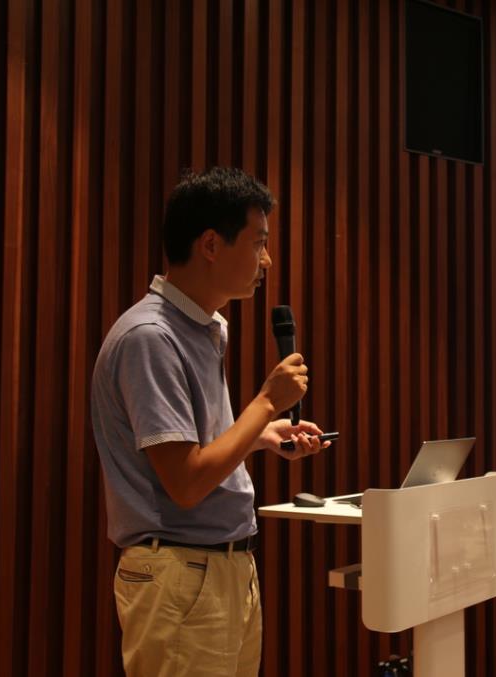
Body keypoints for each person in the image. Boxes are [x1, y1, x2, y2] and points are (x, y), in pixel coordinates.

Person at [90, 167, 328, 676]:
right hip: (182, 572)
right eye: (258, 242)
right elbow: (186, 482)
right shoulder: (151, 337)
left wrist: (262, 436)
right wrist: (266, 403)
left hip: (222, 567)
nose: (267, 259)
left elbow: (195, 449)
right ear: (212, 245)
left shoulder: (203, 328)